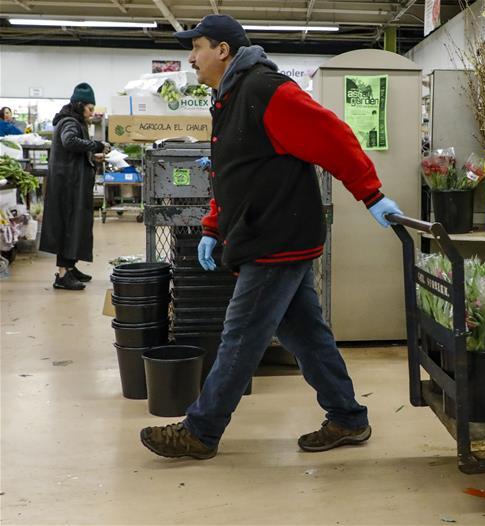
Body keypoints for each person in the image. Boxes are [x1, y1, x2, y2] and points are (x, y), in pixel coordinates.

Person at [140, 15, 403, 460]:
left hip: (277, 237)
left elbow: (333, 135)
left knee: (240, 335)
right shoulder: (228, 99)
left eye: (198, 46)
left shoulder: (266, 90)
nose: (191, 57)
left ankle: (201, 431)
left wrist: (370, 194)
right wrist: (211, 226)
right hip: (268, 233)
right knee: (306, 335)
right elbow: (235, 173)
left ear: (223, 50)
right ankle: (348, 417)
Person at [38, 84, 110, 291]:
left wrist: (91, 155)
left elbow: (72, 151)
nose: (92, 112)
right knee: (68, 226)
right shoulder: (70, 122)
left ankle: (70, 267)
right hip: (68, 185)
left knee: (75, 225)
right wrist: (96, 145)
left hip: (70, 182)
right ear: (79, 106)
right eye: (89, 108)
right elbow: (69, 142)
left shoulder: (72, 120)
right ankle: (62, 275)